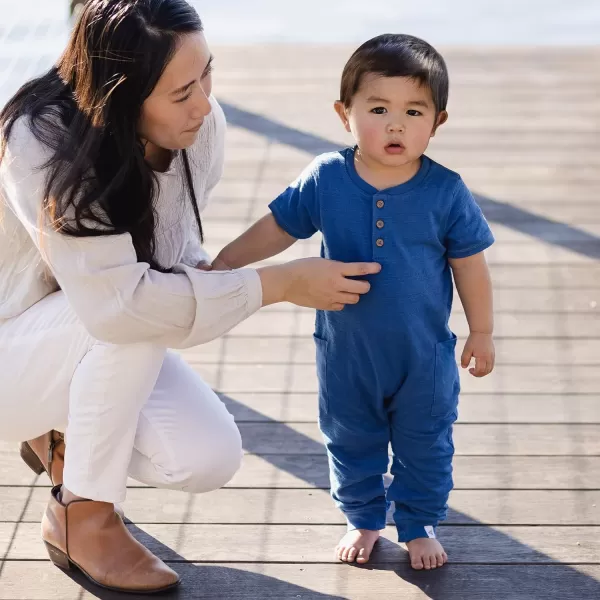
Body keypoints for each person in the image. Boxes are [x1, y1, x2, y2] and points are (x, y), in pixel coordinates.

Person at [0, 0, 380, 593]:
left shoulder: (200, 129)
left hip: (80, 333)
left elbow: (173, 259)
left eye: (207, 74)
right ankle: (84, 515)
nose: (205, 104)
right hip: (12, 350)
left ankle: (59, 439)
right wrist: (275, 284)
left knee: (205, 456)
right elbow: (121, 307)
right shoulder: (40, 139)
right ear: (119, 98)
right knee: (129, 314)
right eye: (181, 94)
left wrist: (220, 272)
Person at [210, 33, 496, 571]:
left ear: (438, 122)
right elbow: (279, 227)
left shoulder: (446, 191)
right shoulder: (327, 178)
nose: (396, 125)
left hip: (423, 356)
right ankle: (363, 517)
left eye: (414, 111)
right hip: (347, 353)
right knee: (349, 437)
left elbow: (470, 266)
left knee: (426, 444)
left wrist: (481, 330)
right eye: (378, 108)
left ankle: (418, 521)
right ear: (345, 114)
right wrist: (226, 262)